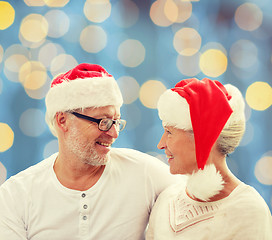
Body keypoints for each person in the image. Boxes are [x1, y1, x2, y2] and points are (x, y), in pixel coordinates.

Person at [0, 63, 182, 240]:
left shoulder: (146, 174)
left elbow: (199, 203)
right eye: (103, 122)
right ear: (63, 120)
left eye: (116, 122)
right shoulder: (16, 195)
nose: (114, 133)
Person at [146, 78, 272, 239]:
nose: (160, 144)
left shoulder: (248, 210)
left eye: (169, 132)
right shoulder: (166, 200)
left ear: (203, 138)